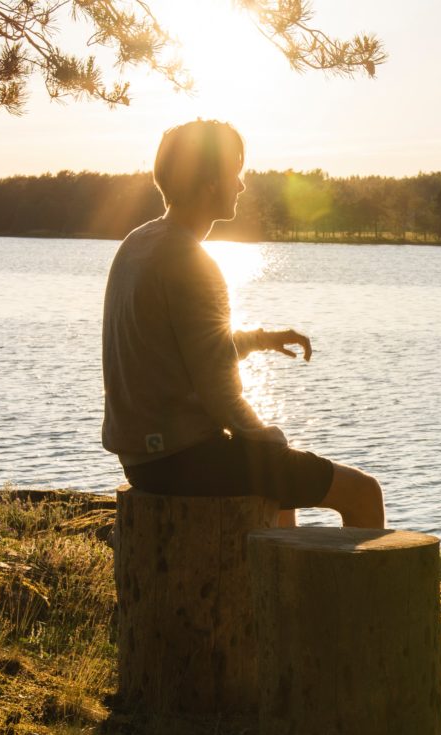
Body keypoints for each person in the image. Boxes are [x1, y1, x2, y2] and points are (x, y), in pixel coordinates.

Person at [102, 119, 384, 528]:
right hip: (182, 459)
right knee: (362, 491)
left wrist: (260, 340)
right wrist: (270, 438)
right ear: (211, 183)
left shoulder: (140, 242)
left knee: (276, 481)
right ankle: (363, 594)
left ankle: (281, 586)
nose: (242, 185)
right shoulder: (191, 261)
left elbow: (184, 349)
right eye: (235, 173)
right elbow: (220, 391)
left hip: (141, 459)